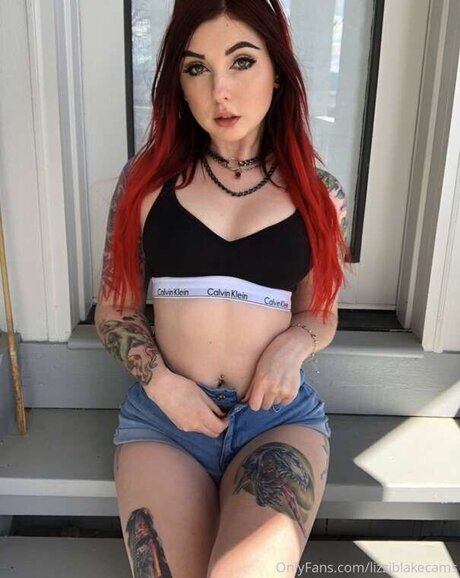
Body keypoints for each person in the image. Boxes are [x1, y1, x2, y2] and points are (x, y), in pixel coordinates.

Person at [95, 1, 349, 576]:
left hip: (275, 420)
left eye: (241, 62)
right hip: (165, 421)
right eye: (197, 69)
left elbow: (320, 312)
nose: (220, 92)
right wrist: (163, 385)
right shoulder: (146, 184)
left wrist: (292, 347)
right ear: (179, 85)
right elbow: (114, 310)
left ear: (278, 72)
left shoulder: (320, 194)